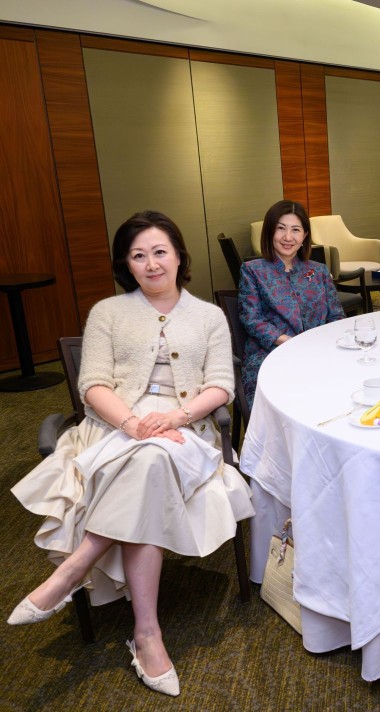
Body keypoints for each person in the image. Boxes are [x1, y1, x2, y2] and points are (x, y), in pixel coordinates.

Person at [8, 211, 254, 696]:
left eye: (160, 251)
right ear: (127, 264)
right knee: (148, 459)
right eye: (138, 255)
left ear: (179, 256)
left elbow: (221, 386)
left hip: (185, 429)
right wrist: (132, 422)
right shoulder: (108, 313)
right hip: (115, 425)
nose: (151, 263)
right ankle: (146, 634)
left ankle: (79, 564)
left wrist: (175, 419)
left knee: (154, 458)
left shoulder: (208, 317)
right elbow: (92, 383)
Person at [239, 200, 344, 409]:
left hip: (317, 350)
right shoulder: (252, 270)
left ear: (304, 236)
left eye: (295, 230)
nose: (288, 237)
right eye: (281, 229)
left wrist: (324, 343)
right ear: (270, 233)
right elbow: (252, 319)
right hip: (270, 353)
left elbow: (336, 316)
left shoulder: (319, 270)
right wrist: (289, 342)